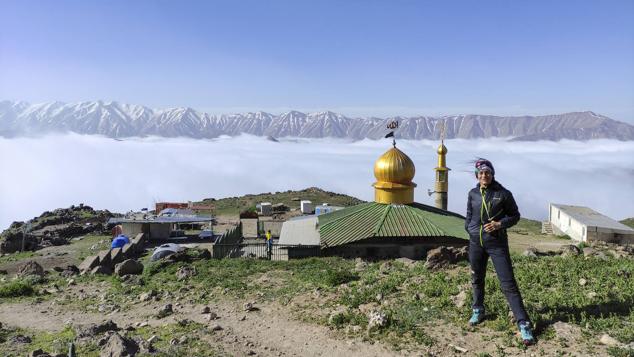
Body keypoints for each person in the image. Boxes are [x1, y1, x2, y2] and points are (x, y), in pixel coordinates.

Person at [465, 158, 535, 346]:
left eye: (487, 172)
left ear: (492, 174)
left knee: (508, 284)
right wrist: (470, 230)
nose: (484, 175)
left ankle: (524, 323)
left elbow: (515, 216)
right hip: (476, 243)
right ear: (477, 176)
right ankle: (478, 309)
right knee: (476, 278)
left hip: (497, 244)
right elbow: (469, 215)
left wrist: (499, 224)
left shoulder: (503, 194)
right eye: (481, 173)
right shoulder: (473, 194)